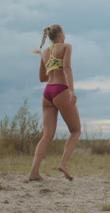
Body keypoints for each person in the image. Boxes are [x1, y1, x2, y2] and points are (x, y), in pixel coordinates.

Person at [29, 24, 81, 181]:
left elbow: (42, 78)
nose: (65, 35)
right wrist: (71, 90)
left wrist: (52, 68)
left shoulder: (44, 52)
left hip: (47, 93)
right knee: (75, 130)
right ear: (60, 34)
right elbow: (67, 68)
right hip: (61, 90)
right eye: (64, 32)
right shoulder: (66, 47)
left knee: (46, 136)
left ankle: (34, 172)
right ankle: (63, 164)